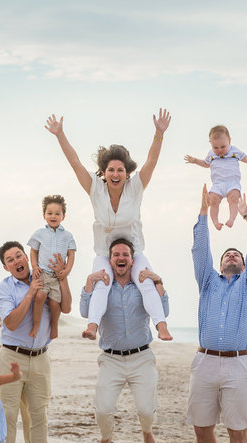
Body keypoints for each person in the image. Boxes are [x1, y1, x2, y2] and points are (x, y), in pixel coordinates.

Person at [45, 110, 173, 342]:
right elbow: (75, 163)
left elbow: (152, 161)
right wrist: (60, 134)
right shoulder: (95, 189)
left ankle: (161, 327)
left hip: (133, 252)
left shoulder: (136, 188)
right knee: (102, 284)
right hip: (105, 253)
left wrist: (159, 133)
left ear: (127, 173)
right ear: (104, 173)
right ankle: (92, 327)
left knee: (146, 281)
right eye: (111, 170)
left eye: (120, 170)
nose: (115, 174)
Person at [188, 182, 247, 443]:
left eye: (237, 254)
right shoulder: (207, 281)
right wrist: (204, 211)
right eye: (227, 254)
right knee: (201, 427)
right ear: (220, 264)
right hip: (205, 360)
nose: (232, 255)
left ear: (245, 266)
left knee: (238, 431)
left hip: (238, 362)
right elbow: (200, 249)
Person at [80, 238, 168, 443]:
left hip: (141, 357)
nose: (121, 258)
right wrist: (90, 282)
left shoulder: (142, 285)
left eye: (125, 255)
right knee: (103, 409)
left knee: (147, 410)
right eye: (116, 255)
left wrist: (158, 280)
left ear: (132, 259)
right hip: (111, 359)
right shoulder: (103, 286)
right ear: (110, 260)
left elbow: (163, 309)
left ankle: (147, 432)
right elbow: (84, 311)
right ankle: (105, 438)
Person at [0, 241, 71, 443]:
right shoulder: (4, 289)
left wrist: (61, 278)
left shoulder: (46, 278)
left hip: (41, 357)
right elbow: (13, 323)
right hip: (11, 357)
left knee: (39, 417)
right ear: (5, 267)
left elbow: (66, 307)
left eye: (19, 255)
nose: (16, 261)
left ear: (27, 257)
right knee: (8, 416)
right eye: (10, 260)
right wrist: (30, 293)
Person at [184, 125, 247, 230]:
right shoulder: (211, 154)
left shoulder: (234, 151)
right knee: (213, 201)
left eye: (223, 147)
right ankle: (215, 222)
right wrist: (195, 161)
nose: (219, 150)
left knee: (233, 199)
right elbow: (206, 164)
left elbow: (246, 158)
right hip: (218, 184)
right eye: (215, 147)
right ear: (210, 143)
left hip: (232, 183)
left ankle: (231, 219)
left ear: (229, 141)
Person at [27, 194, 76, 340]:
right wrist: (34, 267)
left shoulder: (67, 236)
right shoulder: (39, 233)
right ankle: (36, 325)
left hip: (57, 277)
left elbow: (71, 255)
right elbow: (33, 251)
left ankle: (54, 326)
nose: (53, 216)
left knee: (55, 304)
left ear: (63, 216)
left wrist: (66, 271)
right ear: (44, 215)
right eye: (49, 213)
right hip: (43, 273)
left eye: (57, 213)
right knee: (40, 295)